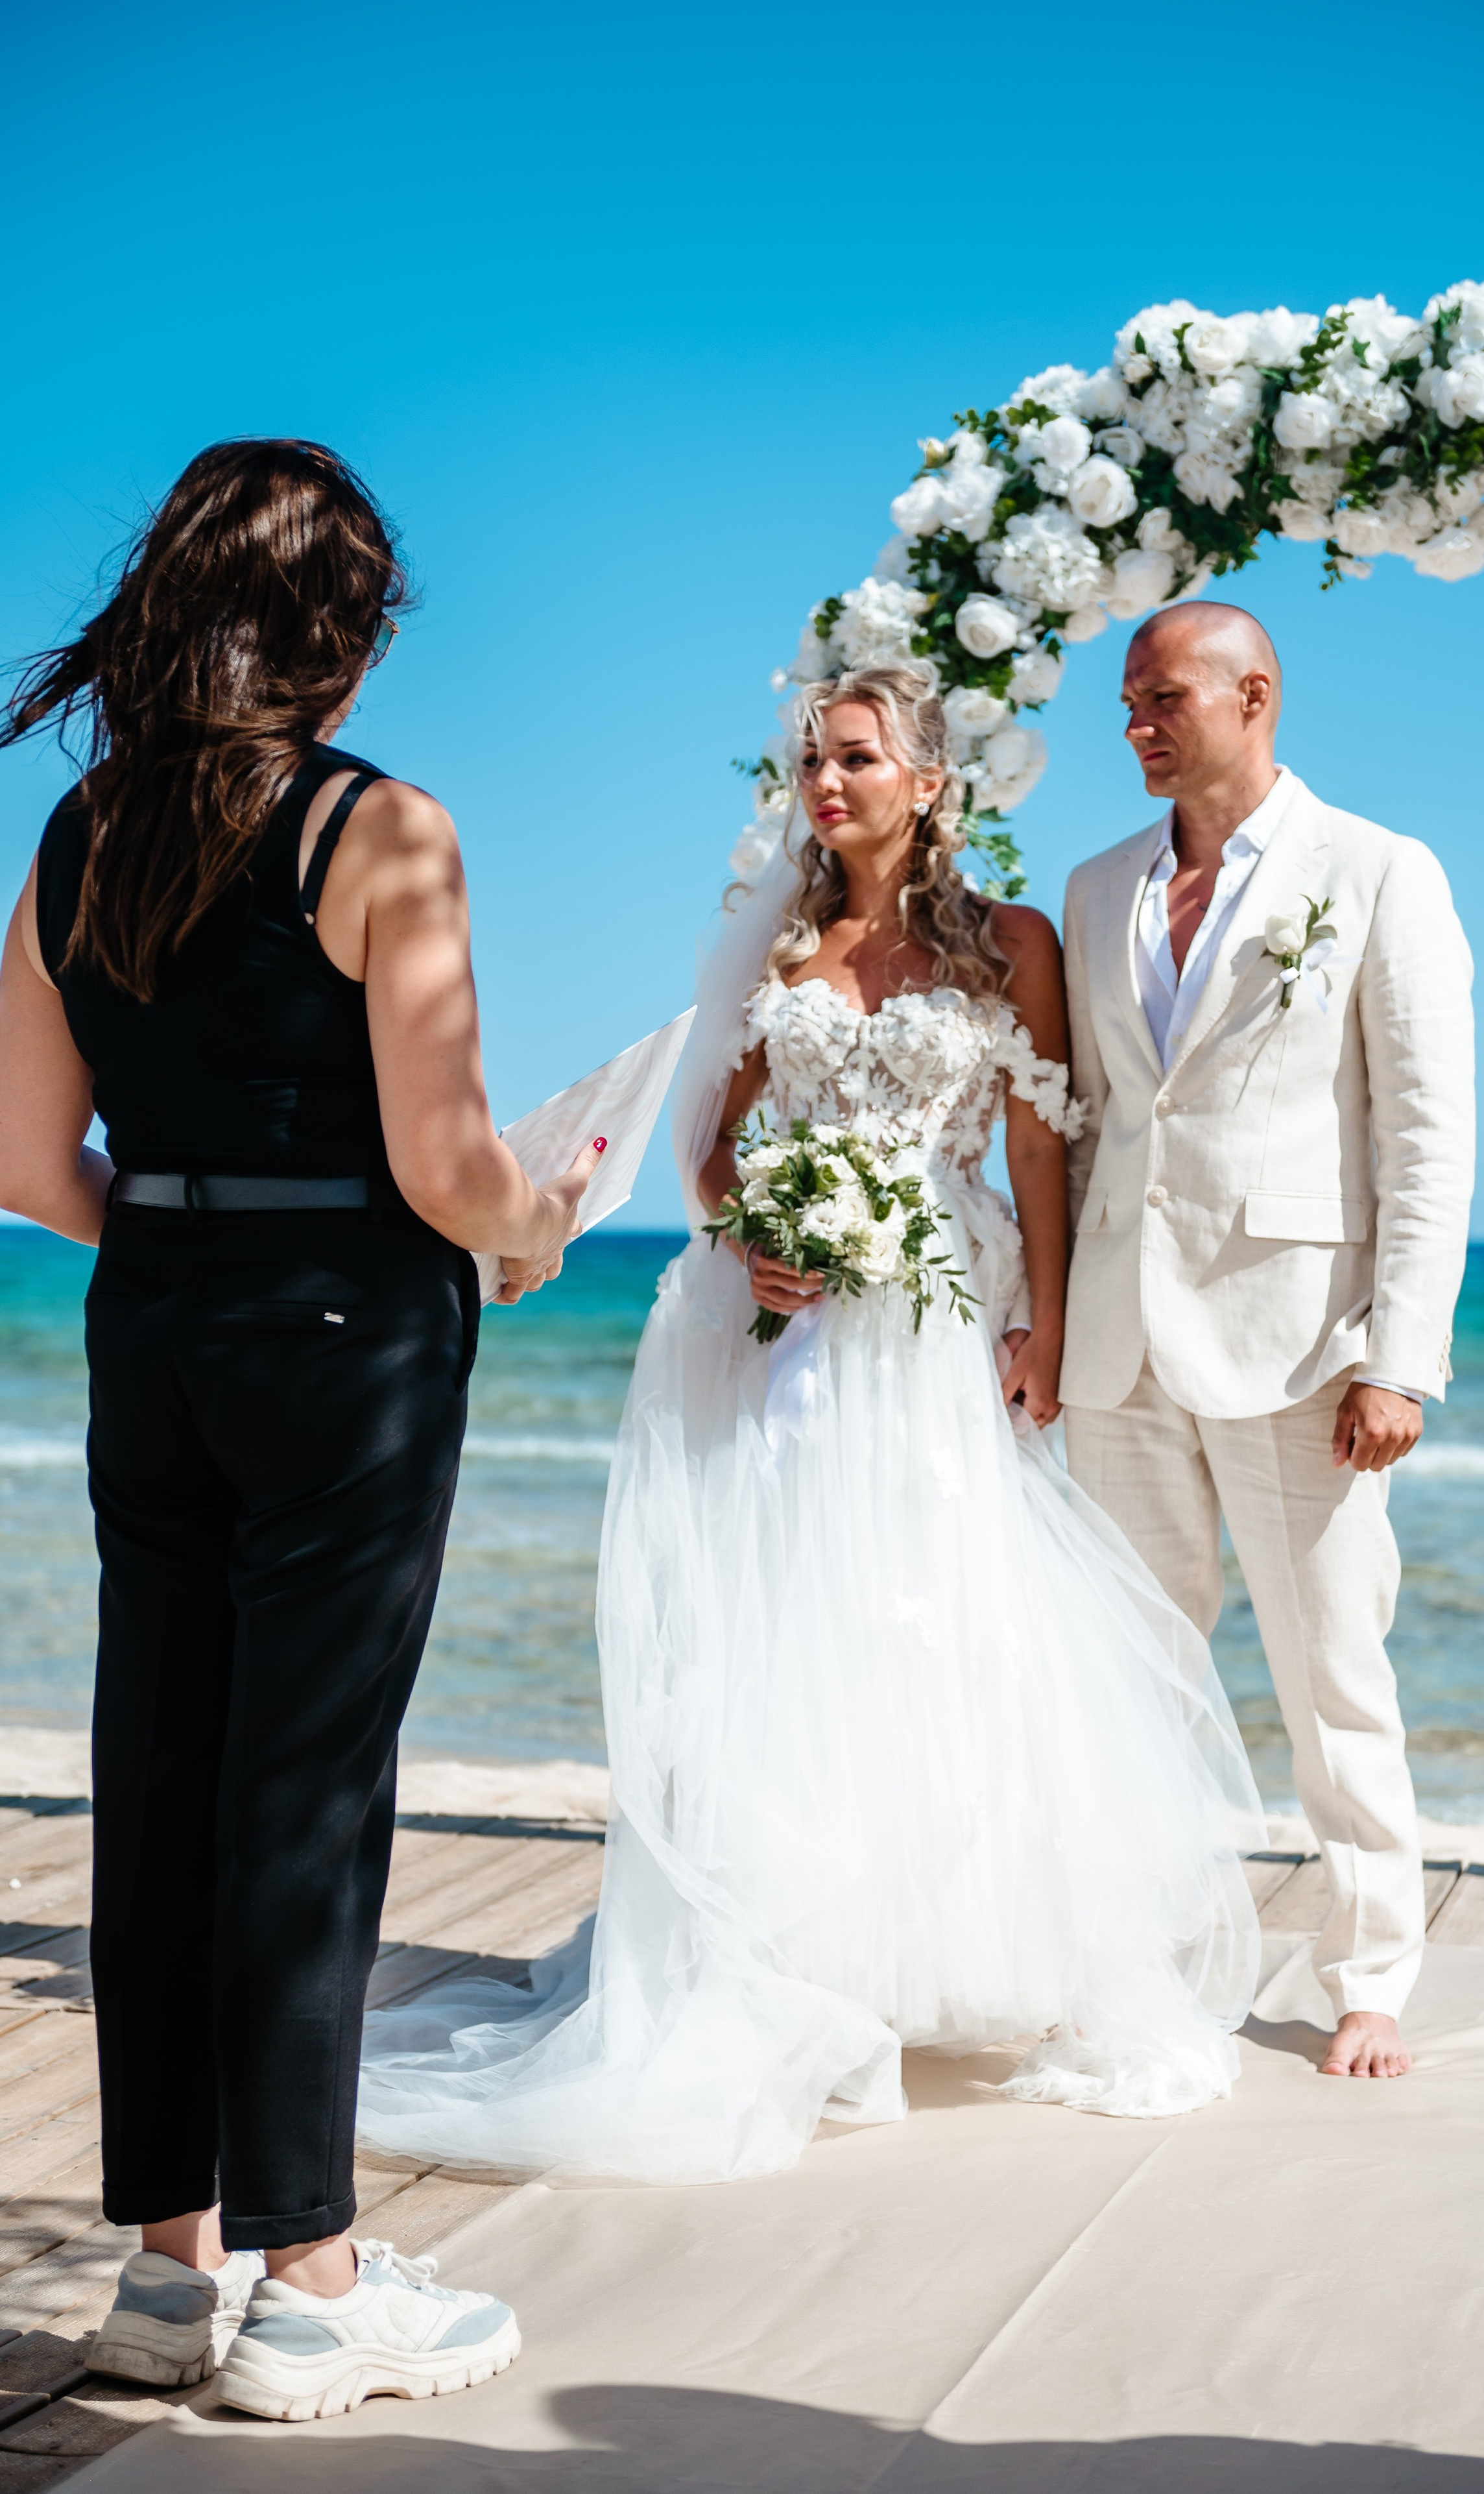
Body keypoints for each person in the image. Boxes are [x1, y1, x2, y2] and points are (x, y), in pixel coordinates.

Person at [355, 661, 1265, 2186]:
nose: (823, 782)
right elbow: (708, 1149)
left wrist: (1040, 1320)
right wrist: (752, 1227)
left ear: (926, 777)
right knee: (786, 1620)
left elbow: (1037, 1139)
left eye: (853, 756)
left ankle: (946, 1943)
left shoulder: (1010, 945)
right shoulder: (779, 947)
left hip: (935, 1322)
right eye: (807, 759)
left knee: (936, 1611)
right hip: (783, 1334)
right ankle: (799, 1962)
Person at [0, 440, 599, 2421]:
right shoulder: (383, 829)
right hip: (347, 1343)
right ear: (340, 631)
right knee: (308, 1798)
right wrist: (544, 1221)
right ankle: (325, 2289)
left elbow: (25, 1157)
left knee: (159, 1776)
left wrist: (180, 1242)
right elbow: (448, 1165)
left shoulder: (80, 830)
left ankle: (170, 2279)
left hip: (150, 1327)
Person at [1060, 601, 1476, 2082]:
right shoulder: (1094, 880)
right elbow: (1105, 1119)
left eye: (1162, 697)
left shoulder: (1375, 870)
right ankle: (1158, 1950)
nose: (1136, 725)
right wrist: (1047, 1324)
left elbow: (1423, 1133)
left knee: (1330, 1673)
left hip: (1301, 1341)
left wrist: (1398, 1353)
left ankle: (1368, 1973)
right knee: (1138, 1678)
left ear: (1254, 696)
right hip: (1118, 1341)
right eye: (1124, 703)